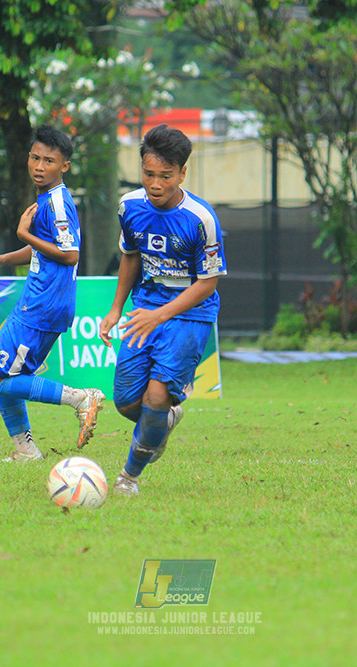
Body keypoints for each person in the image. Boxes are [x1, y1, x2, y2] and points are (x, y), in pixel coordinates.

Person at [98, 124, 227, 496]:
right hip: (145, 309)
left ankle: (128, 477)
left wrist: (161, 315)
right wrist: (116, 308)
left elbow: (208, 283)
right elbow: (131, 256)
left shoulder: (201, 219)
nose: (155, 184)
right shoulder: (130, 207)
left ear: (182, 173)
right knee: (126, 402)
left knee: (155, 396)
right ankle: (162, 423)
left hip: (190, 316)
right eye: (148, 174)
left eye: (165, 176)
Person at [0, 124, 104, 461]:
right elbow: (44, 250)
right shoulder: (45, 197)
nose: (39, 166)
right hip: (38, 300)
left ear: (64, 166)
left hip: (45, 303)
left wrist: (22, 233)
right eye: (35, 158)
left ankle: (80, 398)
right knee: (4, 373)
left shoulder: (58, 203)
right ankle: (25, 450)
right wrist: (1, 258)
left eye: (49, 160)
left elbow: (70, 253)